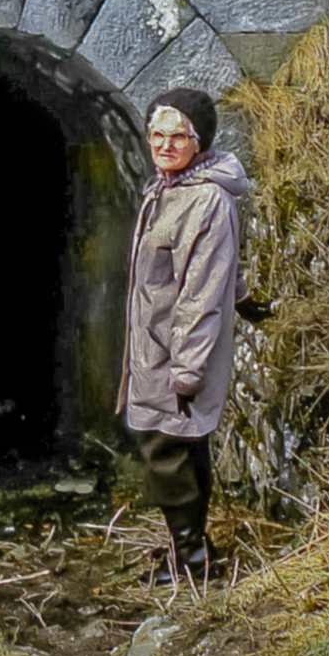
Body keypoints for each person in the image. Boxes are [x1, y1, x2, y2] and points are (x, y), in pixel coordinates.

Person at [115, 87, 252, 584]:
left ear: (201, 141)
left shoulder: (206, 200)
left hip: (178, 349)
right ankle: (192, 551)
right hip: (159, 342)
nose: (164, 144)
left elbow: (200, 289)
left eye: (178, 136)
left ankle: (192, 560)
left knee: (164, 448)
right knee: (182, 445)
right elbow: (220, 270)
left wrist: (188, 369)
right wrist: (245, 295)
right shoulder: (171, 188)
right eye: (156, 134)